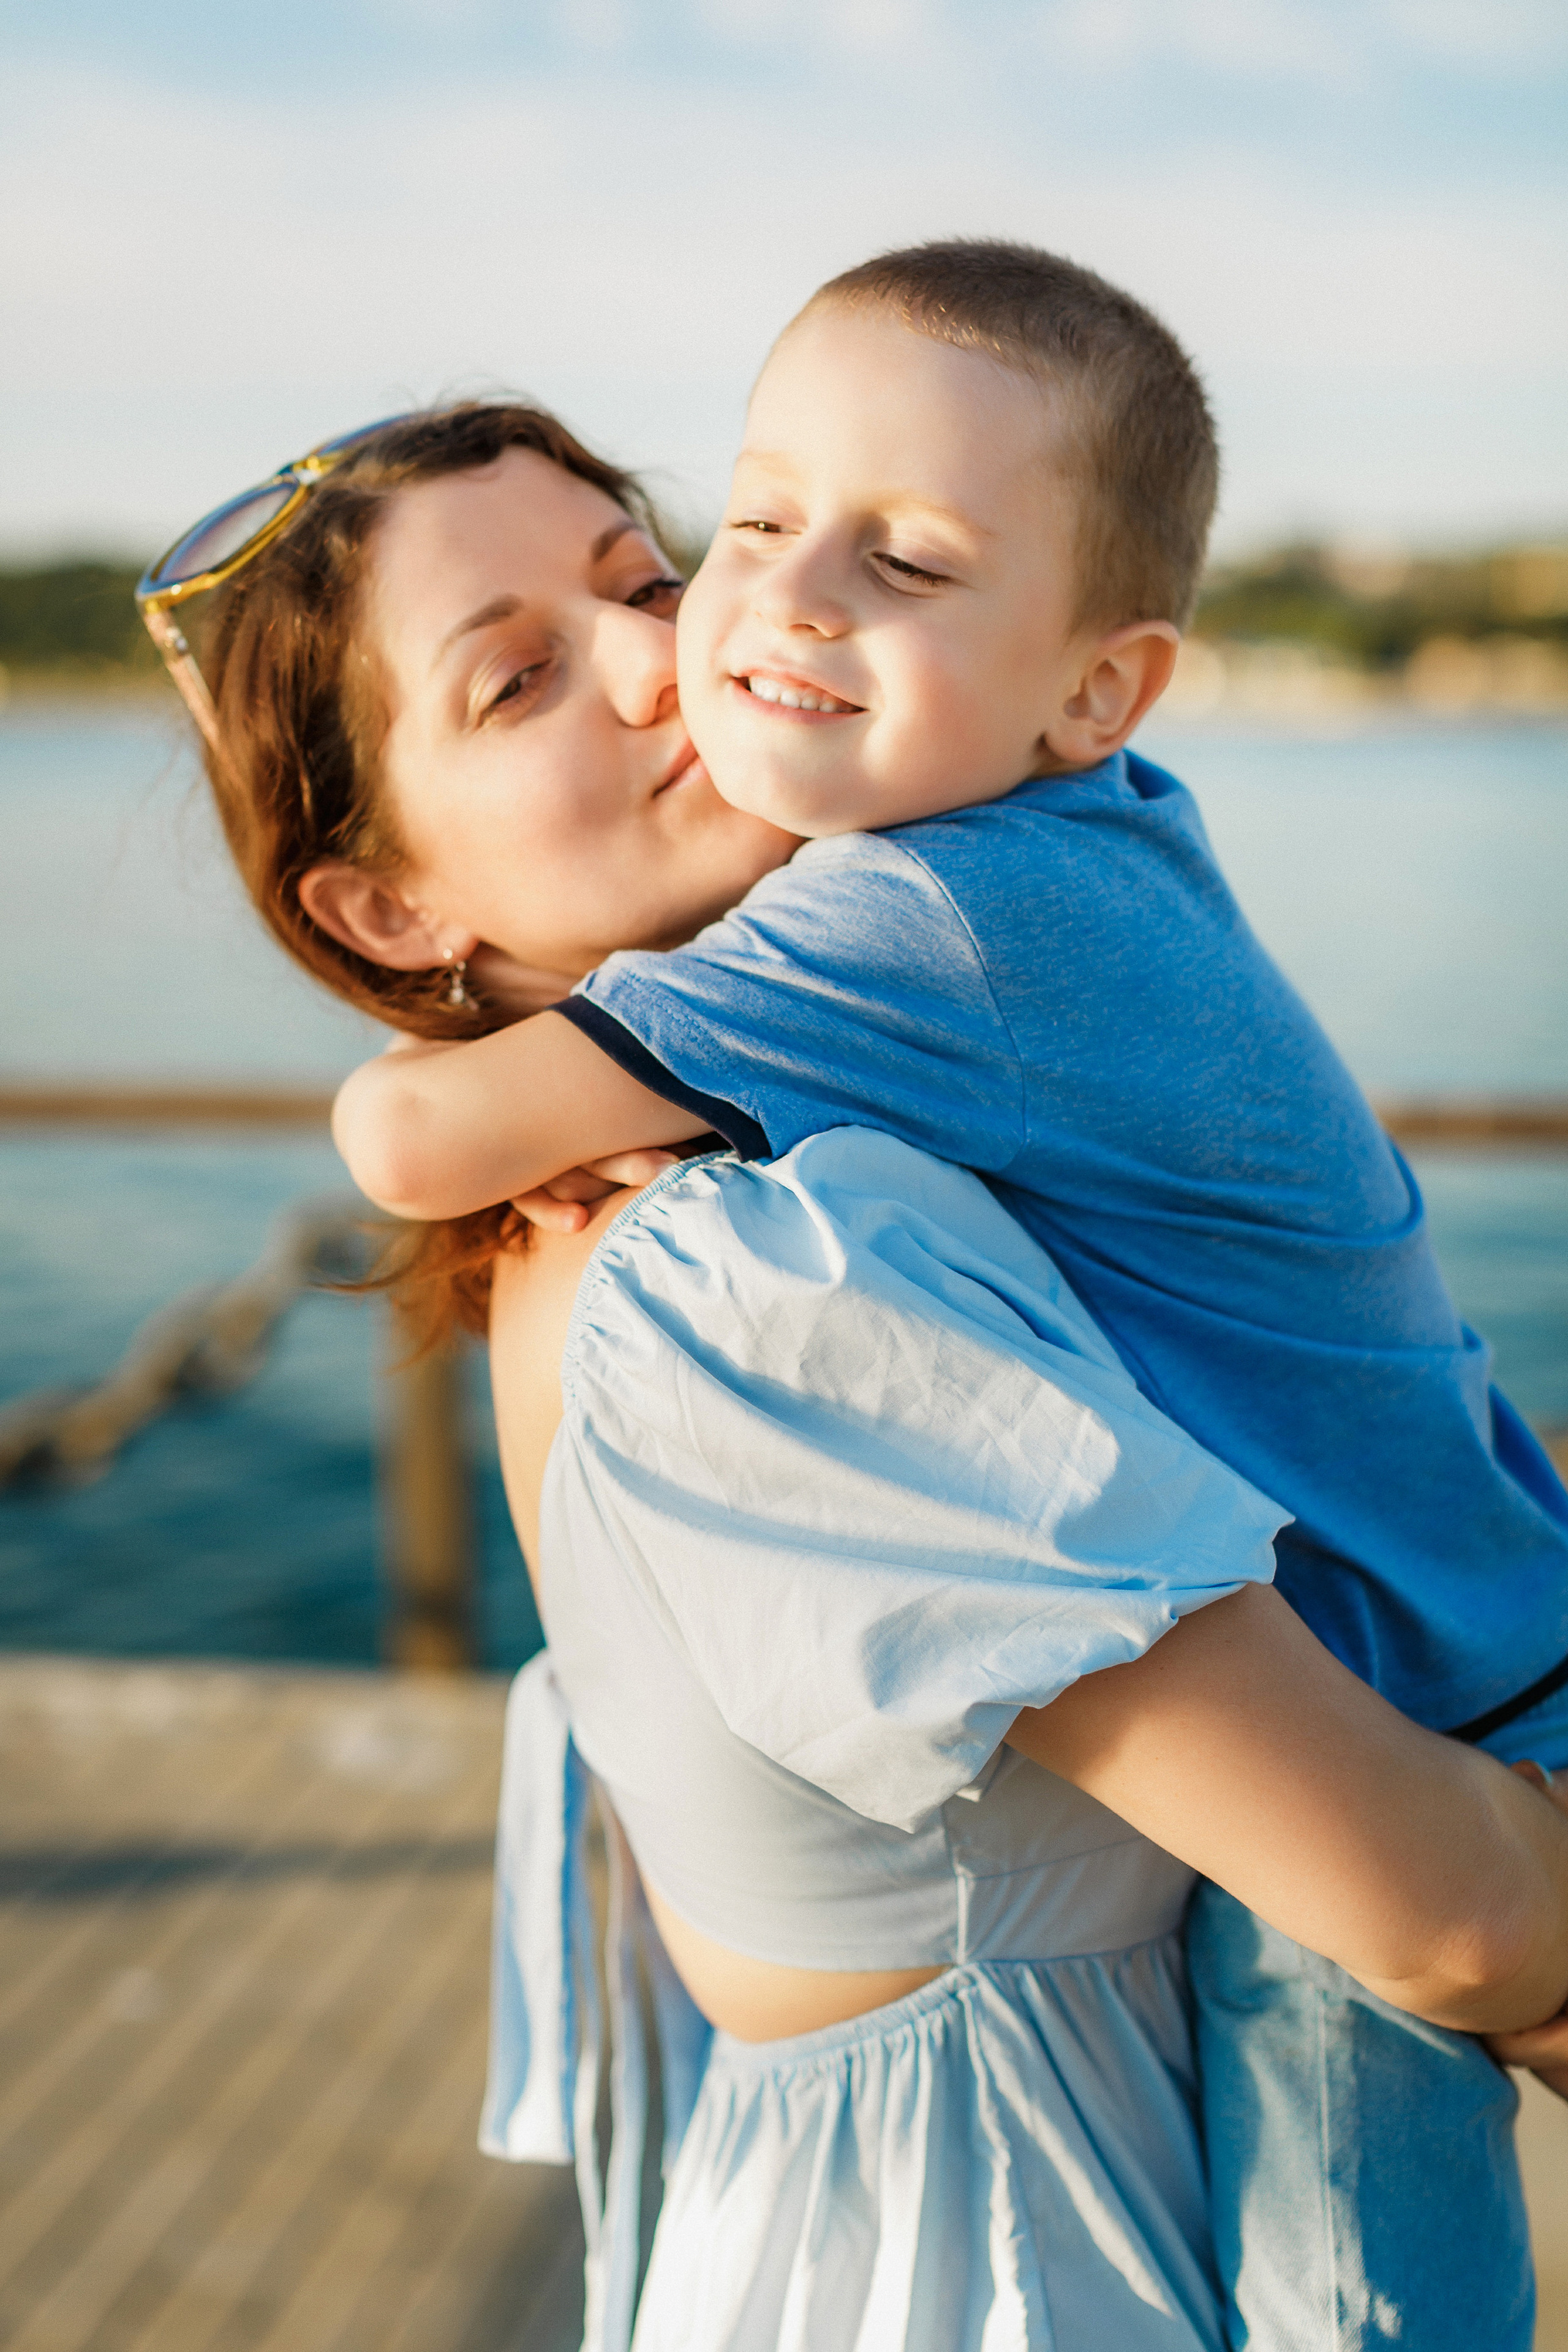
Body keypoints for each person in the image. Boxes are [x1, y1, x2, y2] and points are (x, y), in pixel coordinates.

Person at [141, 399, 1568, 2352]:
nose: (664, 659)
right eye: (519, 677)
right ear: (389, 909)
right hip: (1017, 2254)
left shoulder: (636, 1200)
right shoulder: (749, 1274)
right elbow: (1450, 1917)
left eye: (647, 578)